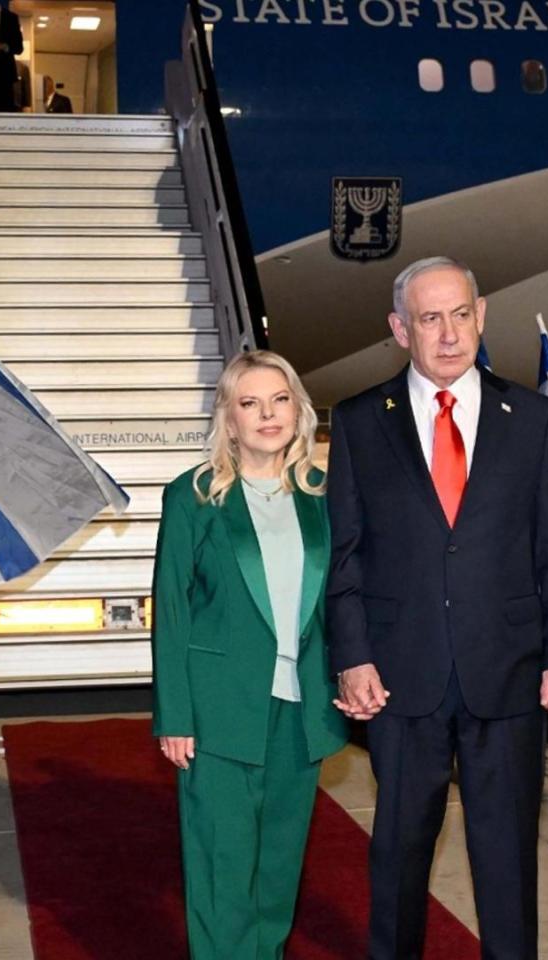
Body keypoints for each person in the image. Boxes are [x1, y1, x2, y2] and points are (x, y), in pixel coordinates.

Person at [325, 257, 548, 960]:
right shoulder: (358, 421)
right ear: (400, 330)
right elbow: (344, 554)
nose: (449, 334)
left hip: (507, 675)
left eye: (461, 314)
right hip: (401, 677)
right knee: (400, 854)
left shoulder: (529, 417)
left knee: (506, 860)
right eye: (430, 318)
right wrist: (351, 656)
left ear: (481, 316)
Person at [152, 350, 349, 959]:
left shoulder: (324, 494)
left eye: (280, 399)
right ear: (229, 420)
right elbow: (171, 609)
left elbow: (342, 599)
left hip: (304, 708)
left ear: (298, 410)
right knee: (222, 861)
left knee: (279, 861)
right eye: (250, 403)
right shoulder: (194, 497)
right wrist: (175, 715)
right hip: (219, 709)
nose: (268, 414)